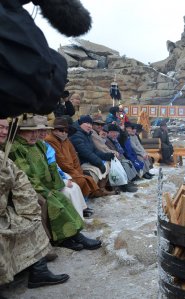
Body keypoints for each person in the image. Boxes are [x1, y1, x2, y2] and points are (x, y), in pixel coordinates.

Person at [9, 115, 102, 251]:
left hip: (47, 185)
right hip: (32, 187)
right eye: (31, 131)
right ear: (20, 131)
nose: (36, 135)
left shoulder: (38, 144)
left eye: (37, 131)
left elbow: (50, 166)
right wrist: (46, 190)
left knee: (63, 199)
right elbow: (26, 175)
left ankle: (74, 235)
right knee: (55, 203)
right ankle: (63, 238)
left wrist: (56, 184)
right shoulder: (17, 148)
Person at [0, 118, 69, 289]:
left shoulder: (3, 155)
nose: (3, 131)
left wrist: (28, 209)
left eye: (5, 128)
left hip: (5, 209)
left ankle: (39, 273)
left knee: (32, 219)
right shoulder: (14, 149)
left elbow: (20, 180)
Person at [45, 117, 115, 199]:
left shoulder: (67, 140)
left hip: (73, 169)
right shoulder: (51, 140)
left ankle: (96, 193)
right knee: (82, 180)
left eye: (66, 131)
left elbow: (75, 157)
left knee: (86, 178)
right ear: (53, 130)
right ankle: (85, 204)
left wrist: (107, 156)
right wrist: (77, 173)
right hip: (64, 172)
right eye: (60, 130)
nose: (64, 133)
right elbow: (61, 161)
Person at [70, 115, 115, 184]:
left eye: (90, 124)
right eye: (87, 123)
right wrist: (99, 162)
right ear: (80, 124)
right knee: (96, 170)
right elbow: (85, 152)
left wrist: (106, 156)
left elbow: (94, 150)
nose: (89, 126)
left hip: (87, 160)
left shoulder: (87, 134)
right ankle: (95, 190)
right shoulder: (76, 135)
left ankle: (102, 188)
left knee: (107, 163)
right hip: (81, 162)